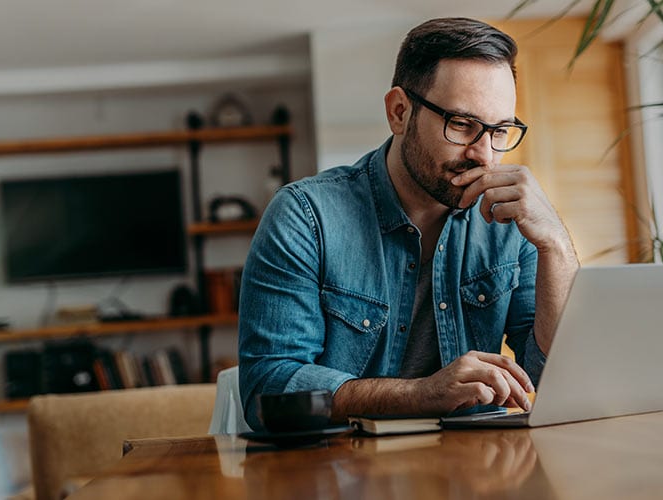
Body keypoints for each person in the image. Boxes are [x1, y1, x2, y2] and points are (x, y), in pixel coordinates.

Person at [238, 17, 580, 430]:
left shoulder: (512, 221)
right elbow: (268, 389)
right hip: (342, 473)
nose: (484, 154)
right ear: (399, 112)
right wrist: (425, 394)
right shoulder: (305, 216)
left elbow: (557, 375)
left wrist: (555, 245)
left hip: (475, 474)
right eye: (462, 125)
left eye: (500, 130)